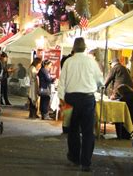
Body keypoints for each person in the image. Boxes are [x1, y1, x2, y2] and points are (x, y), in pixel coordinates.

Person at [58, 38, 103, 172]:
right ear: (85, 48)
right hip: (88, 99)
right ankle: (86, 162)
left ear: (74, 48)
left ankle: (74, 158)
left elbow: (62, 82)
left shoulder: (68, 62)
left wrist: (61, 100)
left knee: (73, 130)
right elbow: (100, 80)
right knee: (88, 131)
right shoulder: (91, 61)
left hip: (71, 99)